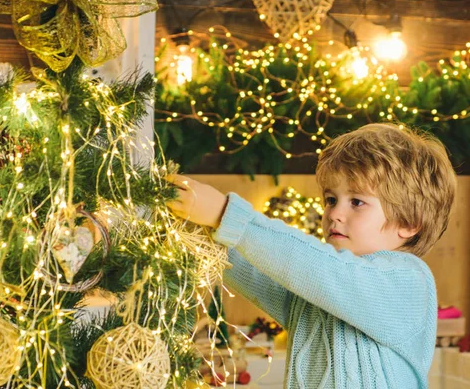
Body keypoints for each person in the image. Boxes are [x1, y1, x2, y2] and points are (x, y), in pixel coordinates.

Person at [167, 123, 456, 388]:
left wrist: (225, 215)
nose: (334, 214)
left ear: (408, 223)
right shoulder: (316, 288)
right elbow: (258, 274)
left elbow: (327, 272)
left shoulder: (408, 279)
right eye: (331, 199)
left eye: (356, 202)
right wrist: (199, 229)